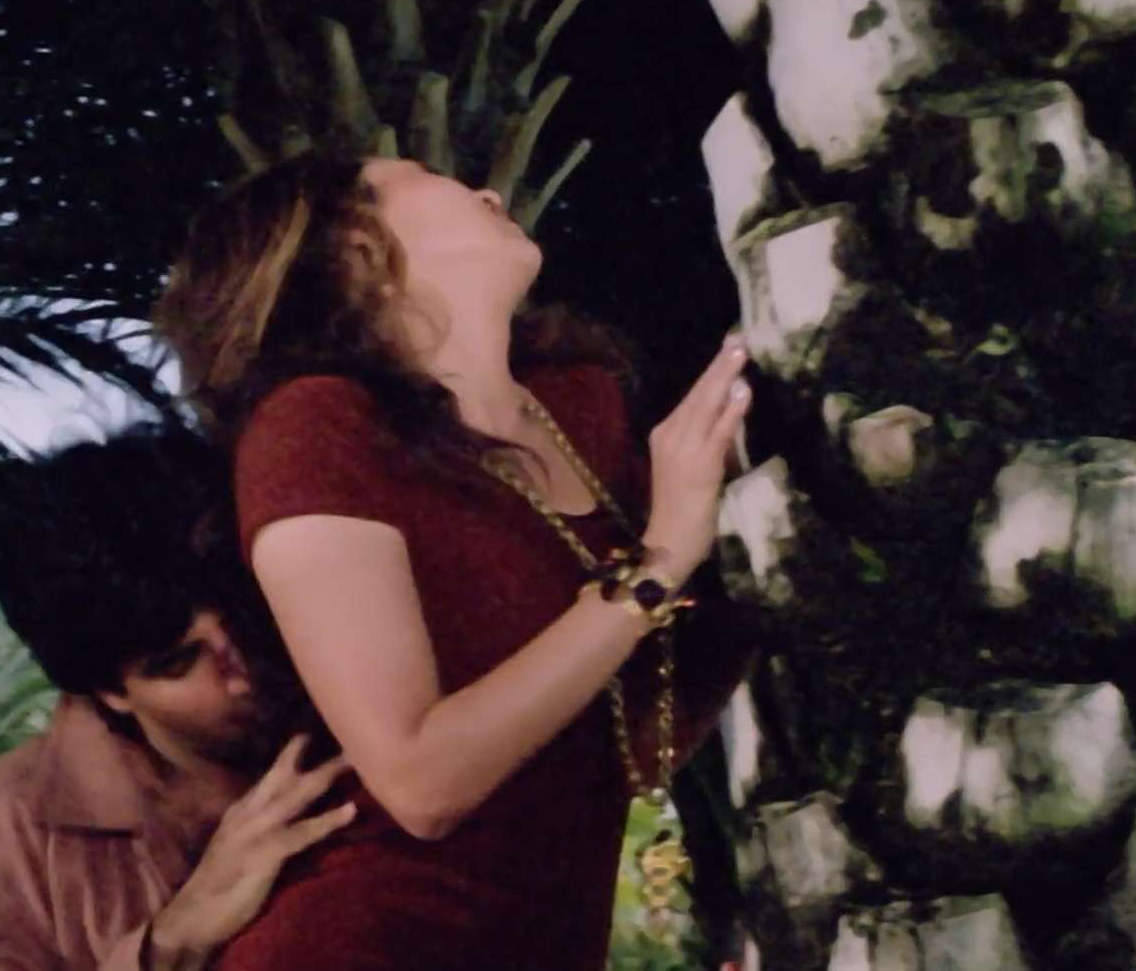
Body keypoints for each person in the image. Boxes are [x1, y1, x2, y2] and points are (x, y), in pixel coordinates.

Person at [155, 152, 761, 969]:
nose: (485, 190)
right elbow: (420, 783)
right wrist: (660, 562)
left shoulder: (583, 407)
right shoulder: (315, 429)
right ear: (356, 245)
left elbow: (623, 745)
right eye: (421, 176)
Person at [0, 425, 357, 970]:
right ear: (109, 692)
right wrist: (172, 942)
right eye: (180, 662)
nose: (243, 674)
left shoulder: (368, 702)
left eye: (249, 621)